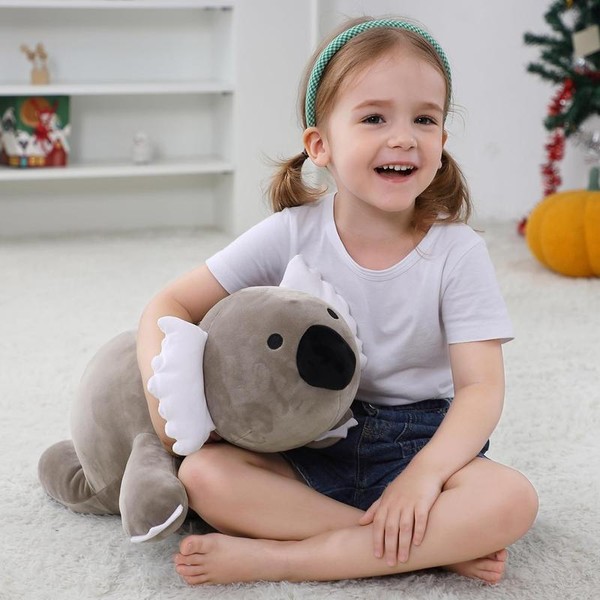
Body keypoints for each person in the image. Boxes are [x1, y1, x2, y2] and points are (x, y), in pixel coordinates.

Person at [137, 16, 538, 586]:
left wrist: (422, 479)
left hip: (422, 441)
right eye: (374, 118)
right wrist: (166, 409)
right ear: (319, 145)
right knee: (204, 475)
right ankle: (419, 546)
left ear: (442, 144)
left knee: (512, 500)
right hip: (312, 434)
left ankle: (284, 558)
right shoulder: (292, 232)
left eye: (425, 119)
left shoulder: (457, 251)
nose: (404, 137)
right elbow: (170, 301)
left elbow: (480, 389)